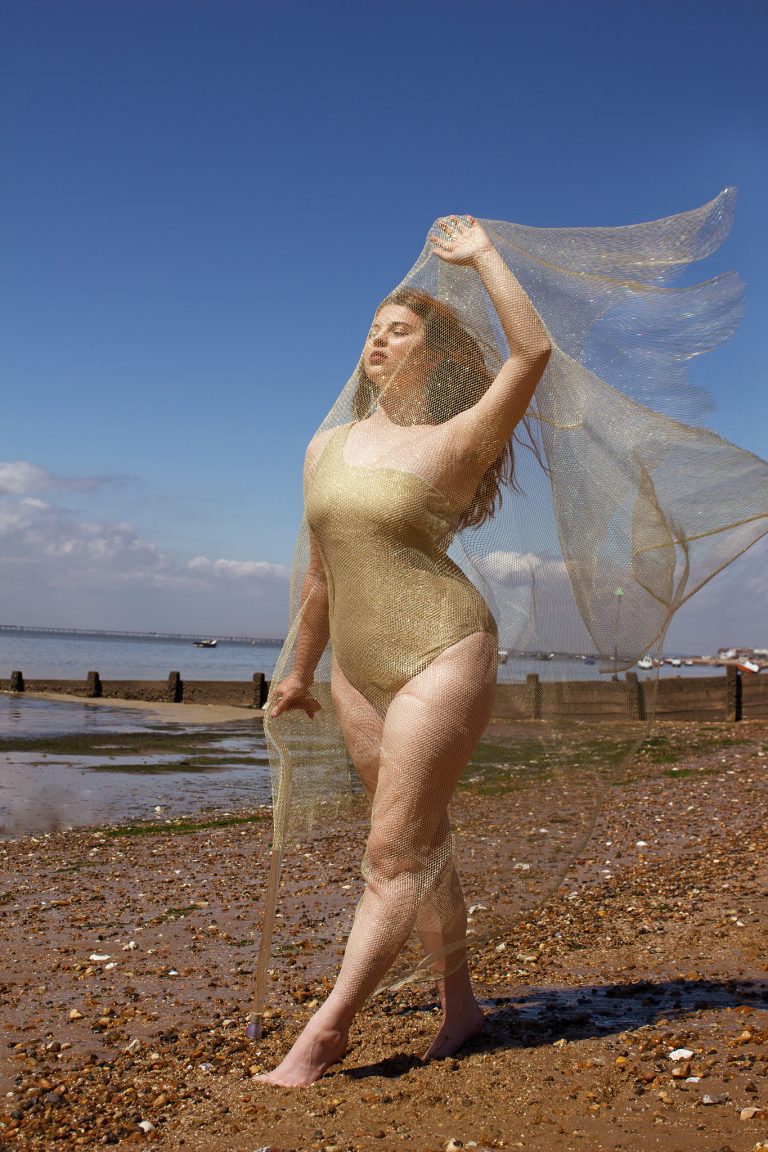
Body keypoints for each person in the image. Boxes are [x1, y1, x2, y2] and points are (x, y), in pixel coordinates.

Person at [255, 216, 552, 1086]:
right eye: (372, 330)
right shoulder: (325, 446)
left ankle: (325, 1035)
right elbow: (321, 578)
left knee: (390, 854)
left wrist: (483, 257)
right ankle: (461, 1004)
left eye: (400, 330)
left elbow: (530, 356)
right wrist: (297, 670)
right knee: (421, 843)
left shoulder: (457, 440)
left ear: (435, 354)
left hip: (441, 652)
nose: (379, 341)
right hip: (355, 668)